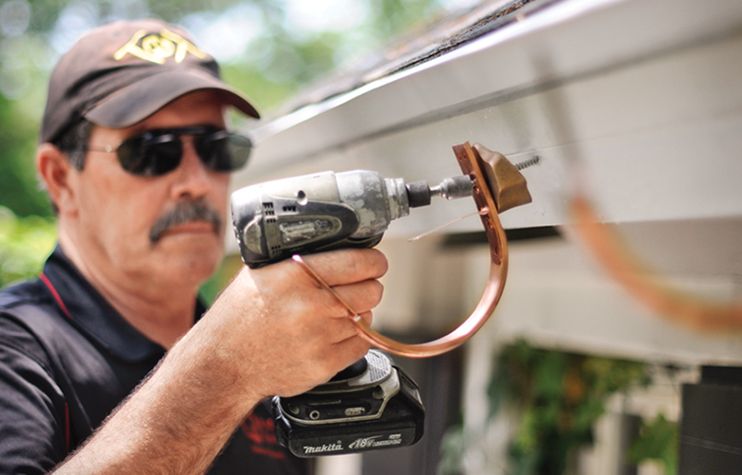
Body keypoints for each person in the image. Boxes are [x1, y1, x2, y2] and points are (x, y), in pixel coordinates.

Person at [0, 18, 387, 474]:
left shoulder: (273, 358)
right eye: (152, 151)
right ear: (60, 178)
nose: (197, 182)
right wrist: (226, 374)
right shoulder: (15, 352)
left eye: (215, 149)